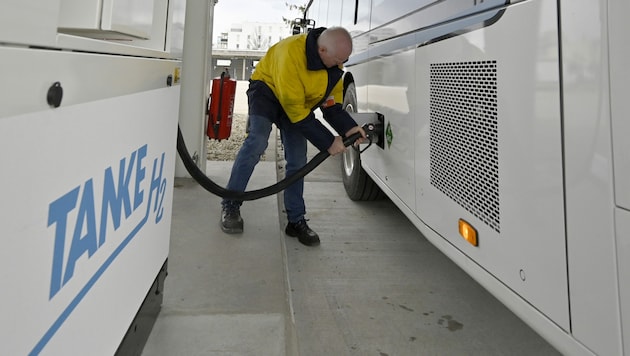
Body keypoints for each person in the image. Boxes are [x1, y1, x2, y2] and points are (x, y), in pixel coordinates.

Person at [220, 26, 366, 246]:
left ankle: (295, 220)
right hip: (267, 92)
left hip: (298, 104)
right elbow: (295, 112)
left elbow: (331, 105)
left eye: (342, 60)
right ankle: (230, 205)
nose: (340, 64)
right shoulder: (291, 53)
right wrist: (328, 142)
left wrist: (349, 128)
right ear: (322, 49)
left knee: (298, 160)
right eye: (337, 59)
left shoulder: (334, 64)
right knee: (257, 142)